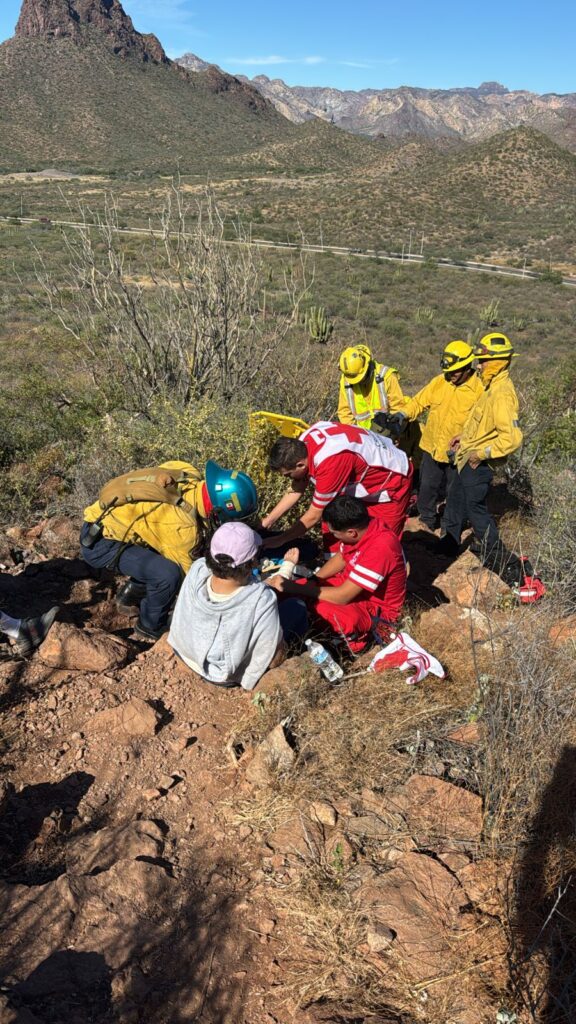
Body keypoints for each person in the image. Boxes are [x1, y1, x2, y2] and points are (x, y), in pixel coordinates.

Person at [81, 459, 258, 641]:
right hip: (101, 544)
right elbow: (191, 578)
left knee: (161, 545)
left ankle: (129, 596)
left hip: (106, 520)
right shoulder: (183, 528)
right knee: (168, 575)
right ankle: (149, 626)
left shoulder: (187, 472)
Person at [437, 333, 545, 600]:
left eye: (484, 361)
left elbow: (512, 438)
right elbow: (483, 425)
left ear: (497, 362)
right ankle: (449, 547)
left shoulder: (502, 394)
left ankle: (515, 574)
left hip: (478, 466)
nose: (480, 365)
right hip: (468, 460)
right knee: (456, 501)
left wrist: (480, 453)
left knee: (479, 519)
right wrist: (465, 437)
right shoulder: (491, 387)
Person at [168, 522, 307, 690]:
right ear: (252, 563)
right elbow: (274, 658)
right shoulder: (262, 599)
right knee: (296, 607)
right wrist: (286, 568)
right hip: (220, 674)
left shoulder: (198, 567)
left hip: (184, 649)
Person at [267, 495, 407, 653]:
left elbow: (343, 596)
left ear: (351, 532)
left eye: (335, 533)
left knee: (327, 612)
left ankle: (353, 643)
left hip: (374, 608)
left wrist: (298, 589)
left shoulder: (381, 547)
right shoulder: (364, 528)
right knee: (281, 592)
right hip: (350, 586)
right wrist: (314, 580)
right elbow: (342, 557)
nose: (334, 537)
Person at [262, 420, 413, 548]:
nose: (289, 479)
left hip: (392, 481)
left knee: (381, 541)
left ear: (301, 465)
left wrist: (279, 540)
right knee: (334, 522)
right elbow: (296, 489)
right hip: (363, 477)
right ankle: (336, 573)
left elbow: (313, 516)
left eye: (288, 475)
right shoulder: (303, 444)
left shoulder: (330, 464)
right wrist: (267, 522)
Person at [390, 340, 483, 533]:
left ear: (468, 367)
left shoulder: (480, 390)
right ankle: (427, 523)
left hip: (457, 453)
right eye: (449, 371)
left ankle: (451, 530)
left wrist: (466, 440)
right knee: (427, 488)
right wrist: (403, 414)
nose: (451, 375)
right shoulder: (440, 381)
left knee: (454, 493)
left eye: (456, 371)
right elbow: (418, 401)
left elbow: (483, 424)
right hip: (432, 446)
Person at [337, 344, 406, 429]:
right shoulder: (346, 383)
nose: (358, 382)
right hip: (363, 438)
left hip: (386, 435)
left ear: (367, 366)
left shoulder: (387, 376)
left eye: (360, 378)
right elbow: (344, 413)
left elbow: (398, 407)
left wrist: (395, 432)